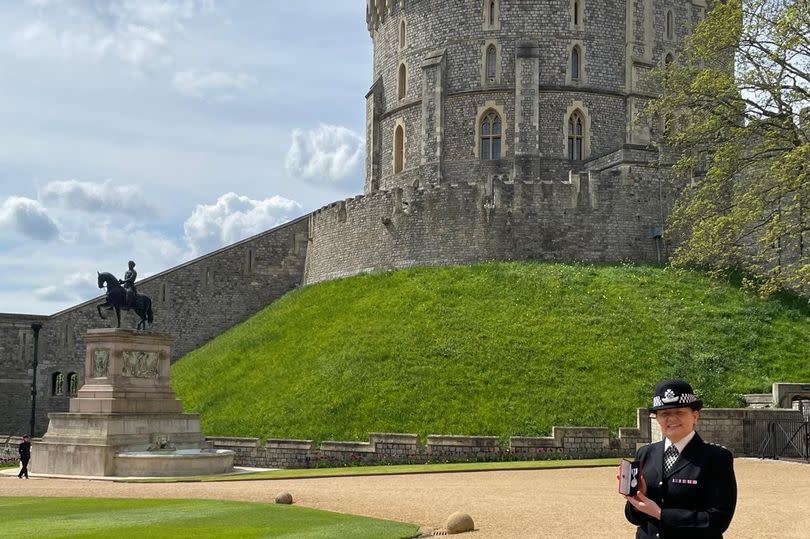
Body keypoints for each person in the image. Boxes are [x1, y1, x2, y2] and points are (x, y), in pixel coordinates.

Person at [623, 379, 737, 538]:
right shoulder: (644, 454)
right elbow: (635, 518)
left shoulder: (717, 458)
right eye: (664, 414)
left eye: (679, 412)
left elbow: (718, 520)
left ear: (695, 416)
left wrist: (660, 513)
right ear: (657, 418)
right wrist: (636, 502)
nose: (672, 419)